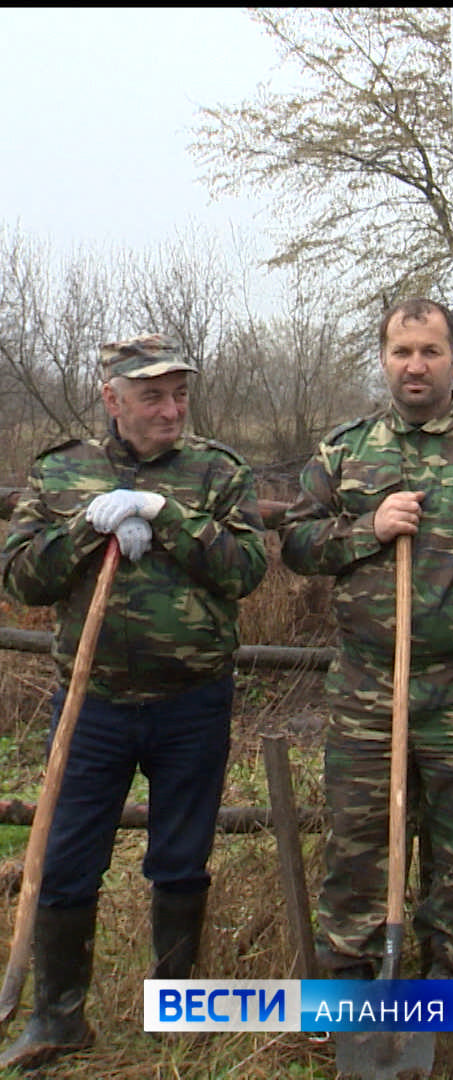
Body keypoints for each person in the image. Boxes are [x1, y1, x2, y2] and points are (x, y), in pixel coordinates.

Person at [0, 334, 267, 1068]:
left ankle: (172, 1008)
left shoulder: (216, 470)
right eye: (152, 395)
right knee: (65, 857)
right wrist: (85, 530)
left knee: (180, 859)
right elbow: (20, 580)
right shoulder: (62, 472)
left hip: (192, 702)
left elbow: (247, 569)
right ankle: (57, 1017)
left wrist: (167, 515)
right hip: (94, 703)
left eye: (179, 394)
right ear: (112, 398)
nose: (171, 409)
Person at [279, 298, 453, 998]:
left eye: (430, 351)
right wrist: (368, 525)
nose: (416, 365)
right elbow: (297, 545)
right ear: (384, 360)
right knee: (361, 840)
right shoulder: (347, 451)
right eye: (402, 352)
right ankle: (354, 983)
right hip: (369, 689)